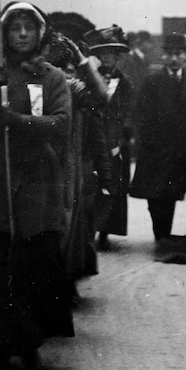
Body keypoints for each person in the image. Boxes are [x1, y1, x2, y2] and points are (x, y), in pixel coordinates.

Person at [0, 1, 74, 370]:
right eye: (14, 28)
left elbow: (60, 124)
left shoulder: (52, 77)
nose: (22, 34)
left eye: (28, 27)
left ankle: (29, 339)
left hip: (37, 180)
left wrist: (17, 121)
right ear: (4, 34)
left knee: (34, 264)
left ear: (40, 34)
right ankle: (7, 340)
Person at [43, 32, 110, 301]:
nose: (63, 75)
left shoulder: (73, 90)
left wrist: (84, 62)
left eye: (68, 70)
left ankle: (63, 285)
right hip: (40, 167)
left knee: (69, 232)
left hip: (70, 172)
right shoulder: (38, 81)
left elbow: (100, 98)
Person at [129, 32, 186, 245]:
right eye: (170, 54)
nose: (174, 58)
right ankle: (160, 233)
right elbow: (141, 115)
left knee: (171, 193)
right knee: (155, 195)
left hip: (180, 150)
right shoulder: (152, 81)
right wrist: (149, 141)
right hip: (156, 149)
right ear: (164, 56)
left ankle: (165, 236)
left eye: (178, 54)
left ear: (185, 56)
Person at [84, 25, 134, 251]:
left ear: (117, 57)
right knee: (92, 186)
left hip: (115, 142)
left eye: (112, 54)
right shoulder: (88, 80)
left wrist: (122, 136)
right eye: (103, 54)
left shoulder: (125, 83)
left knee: (114, 188)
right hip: (93, 138)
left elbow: (129, 113)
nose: (107, 59)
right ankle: (89, 230)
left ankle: (106, 231)